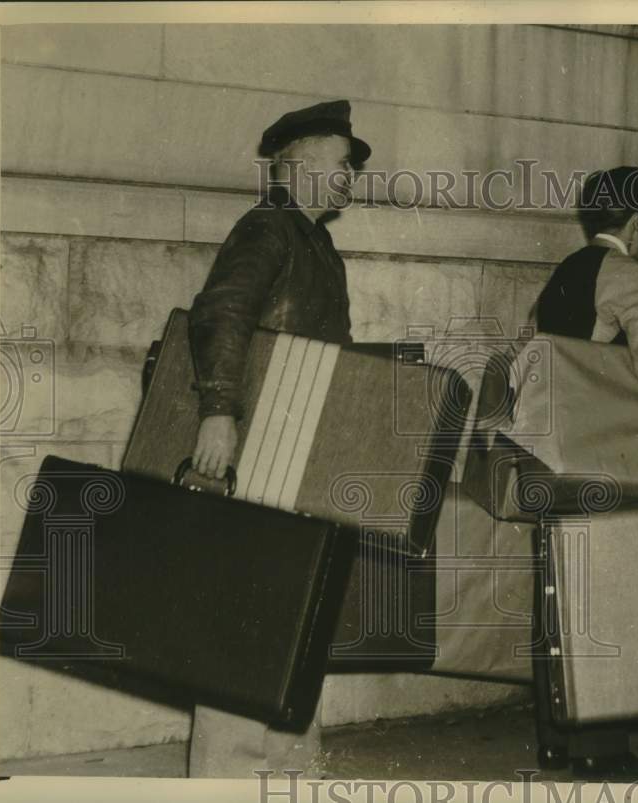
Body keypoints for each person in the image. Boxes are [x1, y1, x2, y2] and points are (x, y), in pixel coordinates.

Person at [184, 99, 371, 778]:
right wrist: (218, 410)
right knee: (246, 618)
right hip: (261, 450)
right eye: (343, 161)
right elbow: (222, 312)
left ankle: (291, 773)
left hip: (301, 457)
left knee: (295, 621)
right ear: (299, 162)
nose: (352, 175)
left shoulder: (318, 248)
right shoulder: (267, 228)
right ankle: (230, 776)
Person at [528, 166, 638, 779]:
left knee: (555, 599)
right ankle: (603, 749)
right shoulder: (626, 273)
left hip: (547, 454)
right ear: (637, 221)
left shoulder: (563, 274)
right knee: (608, 593)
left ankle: (556, 742)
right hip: (596, 456)